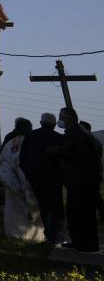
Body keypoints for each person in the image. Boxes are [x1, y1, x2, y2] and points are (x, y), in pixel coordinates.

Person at [57, 107, 101, 253]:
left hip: (83, 180)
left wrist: (59, 151)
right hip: (75, 179)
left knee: (85, 213)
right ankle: (77, 240)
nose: (60, 119)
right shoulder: (73, 132)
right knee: (74, 212)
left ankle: (89, 244)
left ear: (69, 117)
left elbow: (83, 156)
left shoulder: (79, 133)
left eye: (62, 116)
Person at [20, 112, 67, 244]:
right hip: (54, 177)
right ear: (54, 125)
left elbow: (22, 158)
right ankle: (57, 234)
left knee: (44, 205)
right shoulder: (58, 137)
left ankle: (50, 233)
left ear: (41, 123)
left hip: (35, 177)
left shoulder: (30, 136)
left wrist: (28, 174)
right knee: (56, 205)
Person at [0, 117, 43, 241]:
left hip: (11, 182)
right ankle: (35, 235)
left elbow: (2, 159)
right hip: (30, 181)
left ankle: (13, 232)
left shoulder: (9, 143)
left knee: (13, 208)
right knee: (32, 207)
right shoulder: (33, 142)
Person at [78, 121, 104, 224]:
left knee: (94, 196)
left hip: (92, 173)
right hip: (93, 173)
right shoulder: (93, 140)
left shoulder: (92, 140)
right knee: (94, 196)